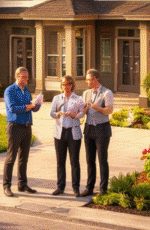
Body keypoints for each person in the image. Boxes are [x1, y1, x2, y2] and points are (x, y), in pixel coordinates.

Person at [2, 66, 41, 197]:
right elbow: (12, 108)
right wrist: (28, 106)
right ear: (17, 76)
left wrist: (36, 105)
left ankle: (22, 184)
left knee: (24, 158)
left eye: (27, 77)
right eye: (23, 76)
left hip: (27, 127)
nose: (25, 79)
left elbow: (32, 108)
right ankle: (6, 186)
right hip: (15, 127)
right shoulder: (10, 91)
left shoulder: (26, 91)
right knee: (11, 157)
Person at [79, 68, 114, 197]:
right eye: (86, 79)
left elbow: (109, 110)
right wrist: (82, 109)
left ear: (96, 79)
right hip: (89, 129)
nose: (87, 82)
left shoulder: (107, 93)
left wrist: (96, 107)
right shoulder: (86, 93)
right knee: (90, 160)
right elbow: (83, 111)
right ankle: (89, 187)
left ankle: (103, 189)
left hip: (102, 129)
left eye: (89, 79)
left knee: (102, 160)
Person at [49, 75, 86, 196]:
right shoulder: (56, 98)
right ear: (61, 85)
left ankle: (76, 188)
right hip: (59, 133)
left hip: (73, 133)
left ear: (72, 85)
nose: (66, 87)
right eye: (64, 84)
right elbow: (51, 113)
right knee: (60, 161)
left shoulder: (78, 98)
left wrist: (75, 115)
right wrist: (58, 114)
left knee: (74, 162)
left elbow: (82, 114)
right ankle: (60, 187)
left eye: (69, 84)